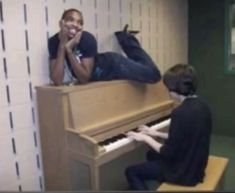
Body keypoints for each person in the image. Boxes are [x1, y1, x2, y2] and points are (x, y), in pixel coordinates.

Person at [125, 64, 212, 190]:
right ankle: (161, 181)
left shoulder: (180, 112)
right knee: (151, 154)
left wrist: (145, 138)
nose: (168, 92)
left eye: (169, 89)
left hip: (183, 174)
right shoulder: (203, 106)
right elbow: (186, 137)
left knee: (131, 171)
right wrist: (156, 134)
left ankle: (165, 178)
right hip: (197, 167)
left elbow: (168, 152)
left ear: (177, 89)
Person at [48, 8, 161, 86]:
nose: (75, 25)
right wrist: (62, 46)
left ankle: (126, 38)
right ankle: (125, 38)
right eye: (71, 19)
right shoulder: (54, 42)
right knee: (144, 69)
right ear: (61, 23)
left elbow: (84, 78)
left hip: (113, 65)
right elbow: (57, 80)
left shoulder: (86, 39)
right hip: (104, 75)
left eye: (79, 22)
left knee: (154, 75)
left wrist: (69, 51)